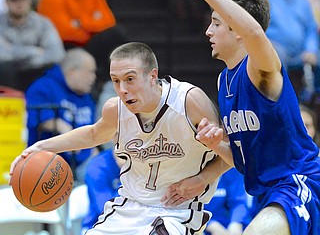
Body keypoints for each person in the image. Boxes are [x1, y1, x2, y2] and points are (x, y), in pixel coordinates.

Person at [10, 42, 230, 234]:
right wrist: (41, 147)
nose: (122, 89)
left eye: (130, 79)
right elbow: (94, 134)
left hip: (176, 212)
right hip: (128, 207)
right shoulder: (116, 109)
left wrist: (203, 179)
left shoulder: (189, 102)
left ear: (153, 76)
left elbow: (233, 154)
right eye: (116, 81)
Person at [164, 0, 320, 234]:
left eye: (216, 23)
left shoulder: (259, 69)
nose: (208, 31)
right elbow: (244, 161)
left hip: (298, 184)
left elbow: (255, 34)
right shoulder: (224, 79)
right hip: (266, 193)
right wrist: (213, 154)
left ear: (237, 29)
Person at [37, 0, 126, 99]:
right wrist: (93, 23)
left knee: (115, 34)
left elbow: (109, 21)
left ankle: (110, 81)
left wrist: (81, 23)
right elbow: (64, 32)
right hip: (66, 48)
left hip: (90, 44)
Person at [25, 48, 97, 182]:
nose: (94, 78)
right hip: (47, 166)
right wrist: (67, 134)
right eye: (90, 72)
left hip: (81, 162)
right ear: (73, 71)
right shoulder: (43, 87)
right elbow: (41, 119)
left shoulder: (87, 97)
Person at [258, 0, 319, 102]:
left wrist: (310, 49)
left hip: (300, 53)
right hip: (273, 50)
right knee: (278, 52)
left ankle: (313, 101)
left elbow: (311, 30)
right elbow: (255, 27)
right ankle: (280, 103)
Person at [0, 0, 65, 91]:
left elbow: (57, 54)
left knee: (52, 69)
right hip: (7, 76)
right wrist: (34, 51)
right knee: (5, 67)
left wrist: (15, 53)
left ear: (29, 0)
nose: (19, 3)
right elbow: (2, 55)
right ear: (6, 2)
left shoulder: (43, 22)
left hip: (35, 72)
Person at [81, 148, 122, 234]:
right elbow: (105, 210)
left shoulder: (144, 164)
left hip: (133, 223)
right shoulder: (97, 165)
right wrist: (127, 175)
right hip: (98, 226)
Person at [204, 168, 250, 235]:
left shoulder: (232, 169)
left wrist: (236, 223)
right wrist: (209, 224)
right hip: (199, 223)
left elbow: (239, 202)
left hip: (227, 223)